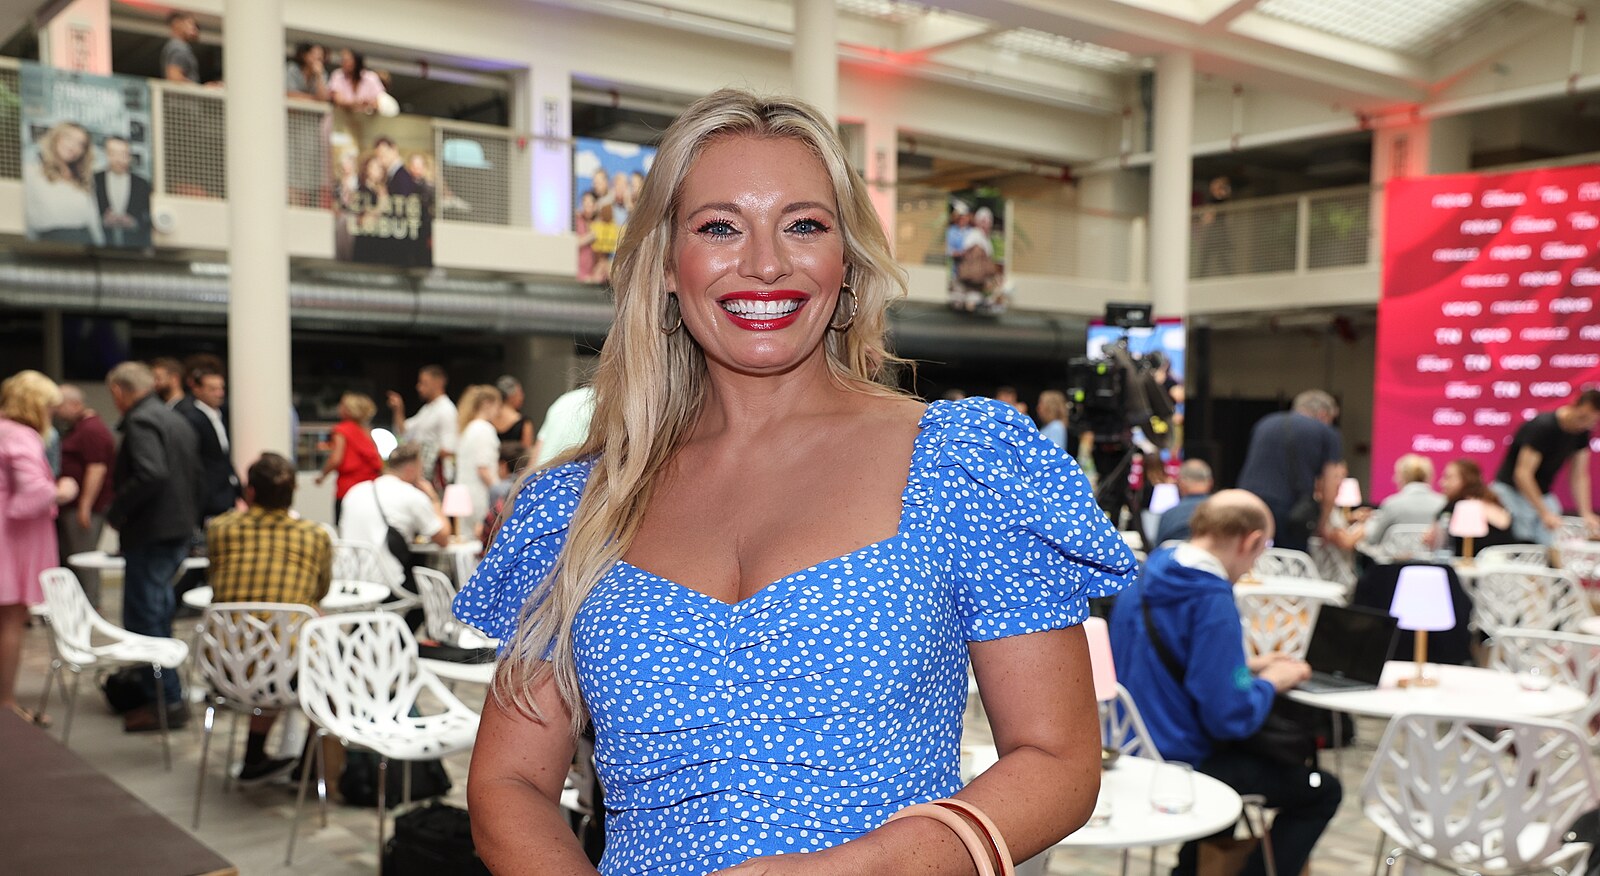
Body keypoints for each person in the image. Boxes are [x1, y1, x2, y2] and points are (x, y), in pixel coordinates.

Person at [454, 89, 1136, 876]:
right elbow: (509, 782)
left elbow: (1057, 761)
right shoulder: (578, 506)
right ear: (667, 264)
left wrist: (863, 869)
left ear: (847, 262)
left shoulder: (961, 467)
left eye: (804, 225)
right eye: (719, 227)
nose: (765, 263)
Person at [1110, 490, 1339, 876]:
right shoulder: (1211, 598)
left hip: (1129, 746)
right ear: (1251, 541)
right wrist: (1272, 682)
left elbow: (1170, 660)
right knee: (1322, 790)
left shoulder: (1146, 574)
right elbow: (1229, 718)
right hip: (1181, 761)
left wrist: (1245, 666)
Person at [206, 452, 332, 783]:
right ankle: (309, 768)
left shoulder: (220, 529)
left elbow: (215, 579)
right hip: (286, 672)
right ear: (293, 493)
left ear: (250, 492)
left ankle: (254, 756)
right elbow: (319, 592)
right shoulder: (315, 535)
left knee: (264, 641)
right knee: (327, 664)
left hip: (226, 667)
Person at [105, 361, 201, 732]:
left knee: (145, 618)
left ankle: (166, 700)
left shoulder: (141, 421)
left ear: (119, 391)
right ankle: (165, 695)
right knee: (157, 614)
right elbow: (193, 476)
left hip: (151, 532)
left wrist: (118, 511)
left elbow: (151, 472)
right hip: (175, 528)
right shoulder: (175, 419)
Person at [1, 371, 62, 725]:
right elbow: (32, 494)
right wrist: (63, 490)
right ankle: (6, 703)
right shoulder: (22, 436)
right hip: (10, 539)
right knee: (11, 619)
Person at [1236, 390, 1343, 553]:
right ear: (1323, 414)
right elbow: (1331, 484)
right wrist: (1322, 524)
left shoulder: (1264, 423)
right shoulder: (1326, 432)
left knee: (1250, 557)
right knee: (1291, 561)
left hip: (1247, 502)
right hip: (1289, 511)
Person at [1490, 390, 1600, 545]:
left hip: (1541, 493)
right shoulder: (1543, 427)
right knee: (1520, 539)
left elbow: (1579, 475)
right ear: (1574, 405)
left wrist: (1586, 513)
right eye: (1583, 418)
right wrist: (1544, 513)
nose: (1585, 424)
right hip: (1511, 491)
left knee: (1552, 538)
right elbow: (1522, 474)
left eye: (1592, 421)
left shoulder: (1582, 432)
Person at [338, 444, 449, 590]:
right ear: (410, 470)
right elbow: (443, 538)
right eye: (421, 470)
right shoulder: (412, 495)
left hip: (348, 581)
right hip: (388, 583)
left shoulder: (355, 491)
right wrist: (434, 499)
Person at [55, 384, 116, 607]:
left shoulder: (92, 429)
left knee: (84, 560)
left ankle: (91, 606)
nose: (56, 411)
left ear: (75, 404)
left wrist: (85, 506)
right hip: (71, 506)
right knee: (72, 558)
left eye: (60, 406)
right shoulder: (77, 427)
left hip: (84, 508)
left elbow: (96, 468)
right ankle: (76, 607)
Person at [174, 365, 241, 523]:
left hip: (225, 492)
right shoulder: (191, 418)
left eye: (221, 388)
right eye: (212, 389)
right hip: (205, 497)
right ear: (197, 389)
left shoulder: (222, 415)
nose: (219, 393)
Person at [23, 122, 104, 246]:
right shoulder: (31, 172)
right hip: (48, 243)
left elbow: (93, 219)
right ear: (55, 138)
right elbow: (26, 217)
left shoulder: (83, 178)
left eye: (80, 144)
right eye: (68, 138)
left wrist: (101, 248)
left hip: (85, 243)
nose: (73, 147)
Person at [316, 392, 383, 522]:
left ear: (348, 410)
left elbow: (336, 458)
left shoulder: (341, 430)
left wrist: (322, 476)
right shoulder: (367, 431)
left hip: (347, 489)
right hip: (369, 490)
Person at [386, 364, 457, 486]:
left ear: (438, 382)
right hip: (422, 474)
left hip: (437, 477)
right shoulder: (427, 409)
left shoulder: (447, 410)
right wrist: (398, 409)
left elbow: (450, 449)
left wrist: (424, 450)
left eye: (424, 383)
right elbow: (404, 432)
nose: (419, 387)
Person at [1360, 454, 1447, 552]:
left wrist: (1365, 525)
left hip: (1394, 561)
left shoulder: (1391, 504)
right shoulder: (1443, 504)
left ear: (1402, 477)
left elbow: (1373, 539)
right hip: (1434, 561)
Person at [1431, 459, 1516, 556]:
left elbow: (1434, 541)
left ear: (1465, 480)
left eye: (1448, 477)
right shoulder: (1495, 504)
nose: (1442, 483)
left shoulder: (1458, 507)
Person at [453, 384, 503, 524]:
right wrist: (500, 493)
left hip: (463, 498)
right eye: (497, 407)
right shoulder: (484, 429)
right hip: (480, 497)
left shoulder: (467, 429)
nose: (498, 412)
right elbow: (483, 468)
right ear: (487, 404)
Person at [92, 136, 153, 249]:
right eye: (112, 153)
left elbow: (150, 218)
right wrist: (101, 221)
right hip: (98, 248)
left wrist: (134, 223)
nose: (118, 159)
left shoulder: (142, 184)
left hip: (134, 250)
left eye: (123, 154)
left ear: (130, 156)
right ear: (105, 154)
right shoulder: (93, 180)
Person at [1153, 458, 1214, 546]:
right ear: (1210, 483)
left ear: (1181, 483)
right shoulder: (1221, 513)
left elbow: (1158, 550)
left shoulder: (1169, 516)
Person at [531, 384, 595, 467]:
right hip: (572, 469)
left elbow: (539, 446)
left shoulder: (563, 400)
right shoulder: (601, 402)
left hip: (542, 469)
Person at [329, 48, 387, 114]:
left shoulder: (371, 78)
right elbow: (338, 101)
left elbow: (375, 105)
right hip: (340, 117)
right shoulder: (337, 75)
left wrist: (368, 105)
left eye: (347, 61)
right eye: (342, 60)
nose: (343, 63)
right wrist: (360, 104)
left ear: (356, 62)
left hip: (363, 118)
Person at [493, 375, 535, 449]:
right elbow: (526, 452)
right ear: (511, 396)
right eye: (520, 393)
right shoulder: (524, 423)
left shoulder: (489, 420)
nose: (522, 397)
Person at [161, 11, 202, 83]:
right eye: (190, 23)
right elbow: (174, 77)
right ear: (176, 23)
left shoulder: (179, 46)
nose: (194, 29)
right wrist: (199, 88)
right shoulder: (178, 47)